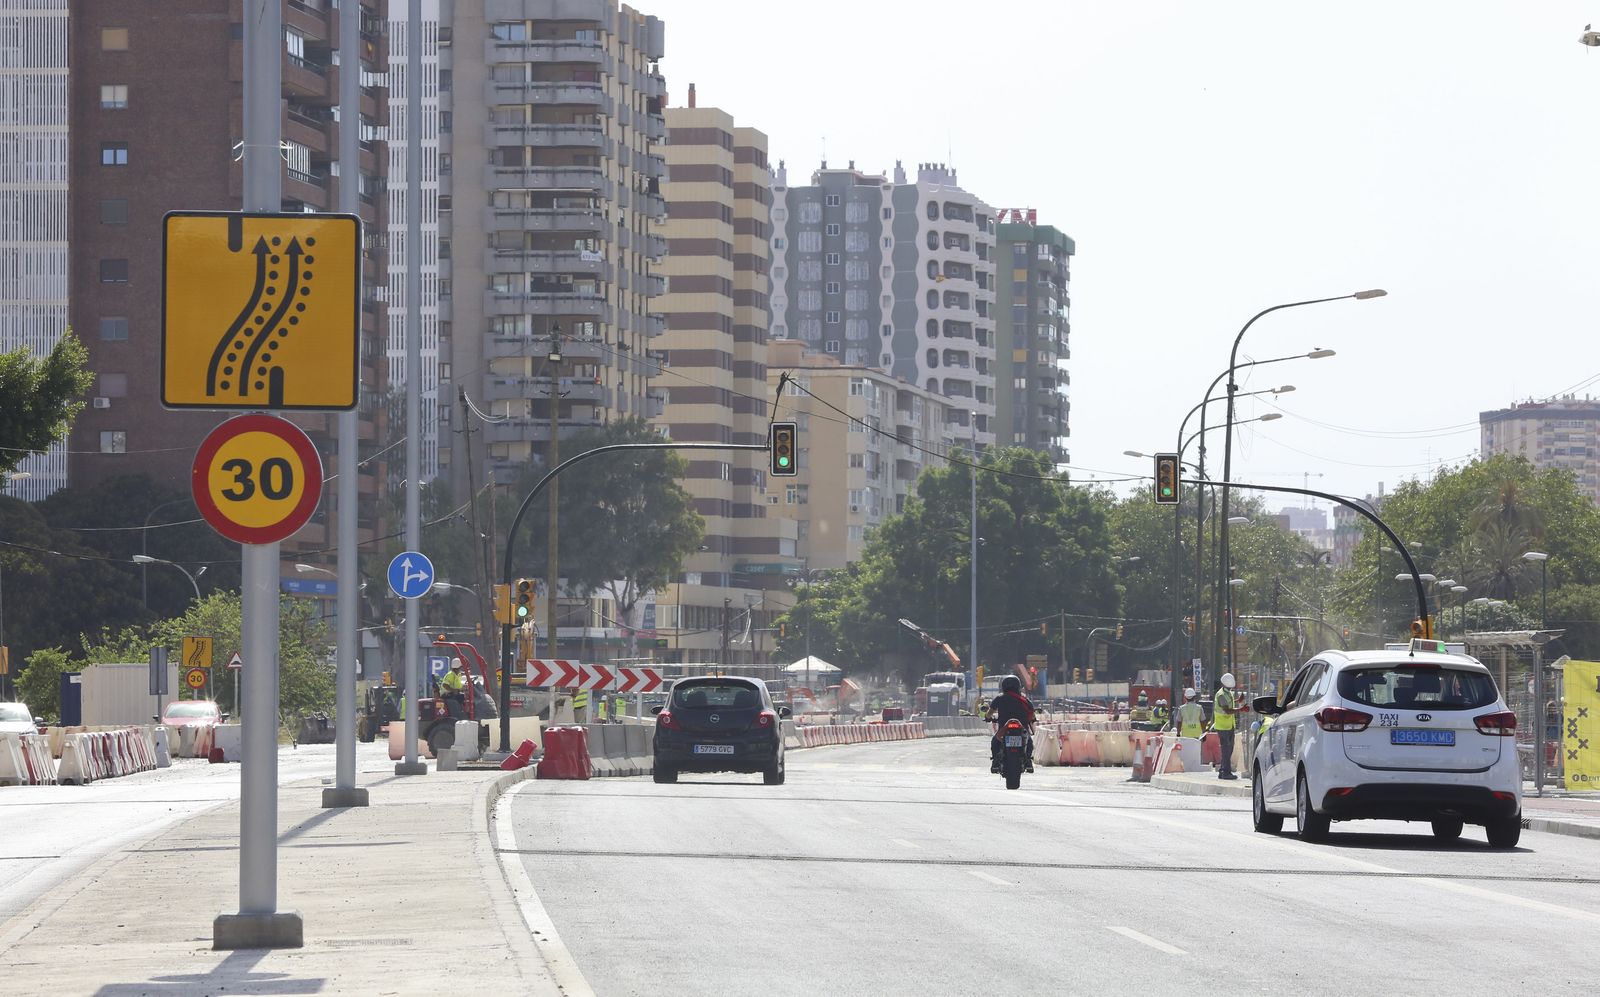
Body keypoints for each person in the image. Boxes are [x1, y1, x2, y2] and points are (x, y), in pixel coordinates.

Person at [988, 675, 1037, 774]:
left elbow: (990, 713)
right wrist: (1032, 719)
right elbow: (1032, 715)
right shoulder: (1024, 699)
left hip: (1004, 728)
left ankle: (995, 762)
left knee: (995, 741)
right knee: (1029, 742)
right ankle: (1028, 761)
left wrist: (988, 717)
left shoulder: (999, 698)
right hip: (1022, 728)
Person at [1212, 673, 1240, 780]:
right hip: (1223, 727)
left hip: (1229, 726)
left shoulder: (1227, 693)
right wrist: (1240, 709)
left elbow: (1228, 704)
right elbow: (1227, 710)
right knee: (1226, 750)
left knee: (1229, 749)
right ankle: (1226, 773)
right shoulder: (1221, 695)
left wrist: (1238, 701)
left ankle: (1222, 771)